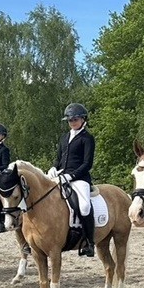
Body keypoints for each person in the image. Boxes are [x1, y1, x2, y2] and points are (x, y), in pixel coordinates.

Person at [49, 102, 96, 257]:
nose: (73, 122)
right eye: (70, 120)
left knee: (84, 206)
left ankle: (89, 242)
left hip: (79, 178)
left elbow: (87, 164)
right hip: (61, 176)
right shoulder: (64, 137)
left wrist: (72, 175)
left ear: (83, 119)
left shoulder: (87, 138)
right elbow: (59, 158)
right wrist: (53, 168)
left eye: (75, 119)